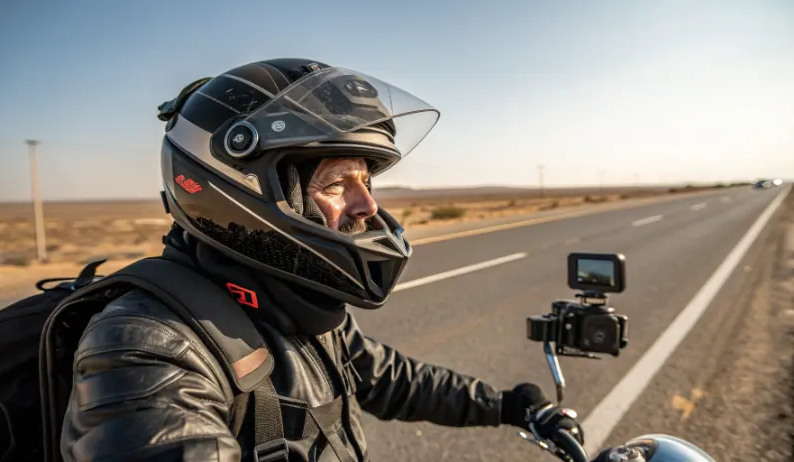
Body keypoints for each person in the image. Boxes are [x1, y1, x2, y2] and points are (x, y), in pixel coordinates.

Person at [60, 59, 583, 462]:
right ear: (244, 193)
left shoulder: (295, 302)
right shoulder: (146, 345)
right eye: (336, 183)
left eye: (367, 180)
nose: (368, 207)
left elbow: (388, 378)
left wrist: (513, 406)